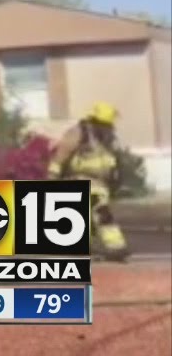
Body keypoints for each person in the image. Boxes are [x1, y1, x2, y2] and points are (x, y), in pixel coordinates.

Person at [47, 101, 130, 261]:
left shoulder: (105, 136)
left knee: (87, 218)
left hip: (100, 183)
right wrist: (52, 177)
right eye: (106, 124)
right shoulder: (78, 133)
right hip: (81, 180)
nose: (109, 127)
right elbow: (61, 154)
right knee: (102, 212)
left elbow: (110, 159)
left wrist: (116, 178)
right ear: (96, 121)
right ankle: (116, 247)